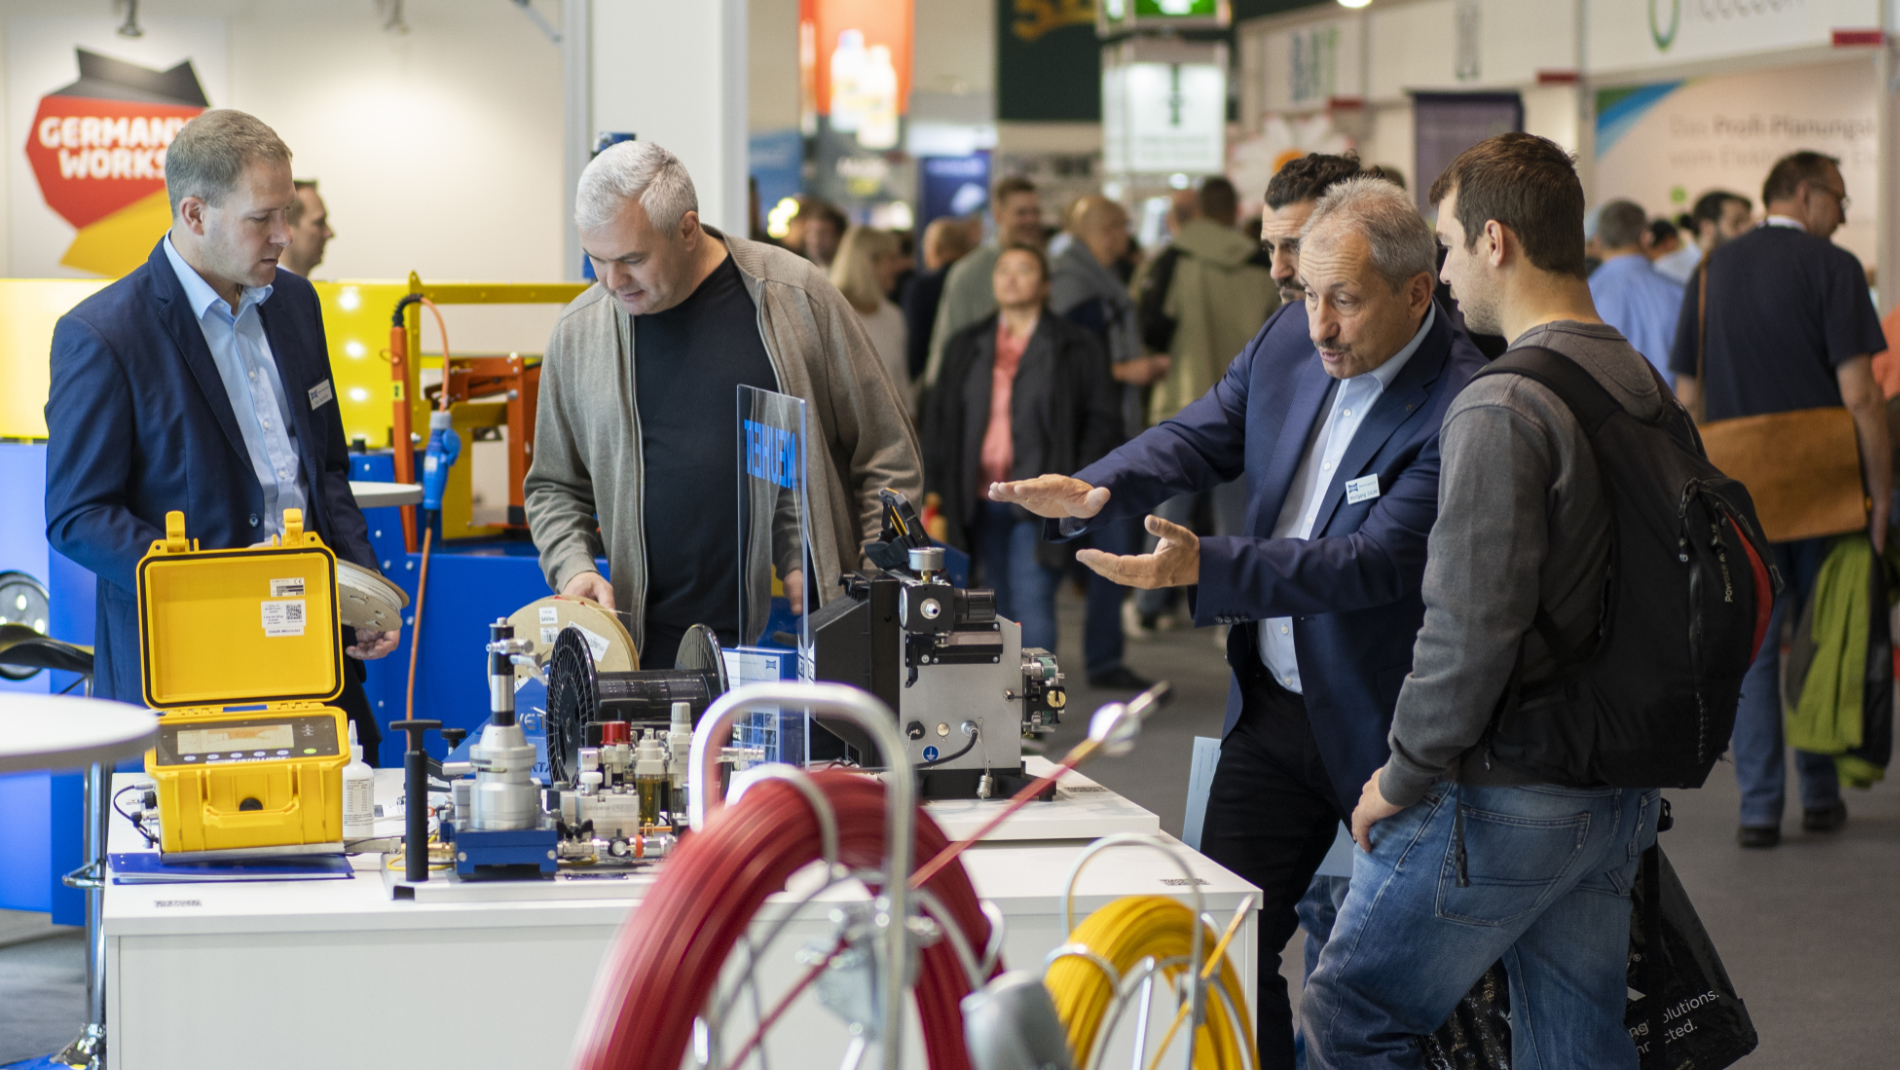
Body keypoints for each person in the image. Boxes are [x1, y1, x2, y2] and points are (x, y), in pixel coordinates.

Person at [993, 177, 1486, 1070]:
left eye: (1345, 301)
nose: (1321, 326)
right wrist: (1101, 486)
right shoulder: (1289, 343)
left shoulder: (1461, 403)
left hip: (1387, 728)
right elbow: (1200, 431)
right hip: (1271, 711)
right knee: (1220, 951)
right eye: (1308, 296)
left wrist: (1205, 566)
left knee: (1400, 999)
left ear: (1418, 293)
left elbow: (1372, 562)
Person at [1303, 132, 1667, 1070]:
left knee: (1352, 1011)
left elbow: (1468, 626)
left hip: (1508, 792)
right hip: (1616, 782)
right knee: (1574, 1039)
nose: (1447, 270)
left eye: (1450, 245)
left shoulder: (1502, 403)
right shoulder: (1637, 383)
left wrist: (1401, 776)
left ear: (1495, 240)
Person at [43, 109, 397, 757]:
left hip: (313, 661)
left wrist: (362, 588)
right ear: (195, 214)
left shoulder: (295, 305)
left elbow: (324, 470)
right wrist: (219, 583)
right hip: (183, 673)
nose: (285, 236)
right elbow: (78, 516)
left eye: (287, 213)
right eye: (262, 218)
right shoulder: (104, 335)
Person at [525, 141, 923, 670]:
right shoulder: (581, 332)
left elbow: (887, 451)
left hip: (801, 640)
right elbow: (553, 485)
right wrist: (574, 566)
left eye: (632, 259)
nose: (611, 282)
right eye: (596, 259)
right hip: (650, 654)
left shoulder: (794, 297)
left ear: (688, 229)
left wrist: (864, 585)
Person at [1669, 150, 1888, 847]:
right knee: (1826, 634)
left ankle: (1759, 807)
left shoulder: (1709, 272)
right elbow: (1860, 393)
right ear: (1805, 192)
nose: (1845, 213)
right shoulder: (1835, 268)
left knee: (1756, 650)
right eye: (1841, 198)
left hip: (1741, 493)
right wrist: (1880, 493)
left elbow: (1686, 398)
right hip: (1824, 486)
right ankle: (1820, 794)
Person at [922, 244, 1123, 655]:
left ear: (1046, 284)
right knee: (992, 607)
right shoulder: (966, 343)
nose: (1011, 278)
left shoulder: (1076, 345)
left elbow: (1101, 420)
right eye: (1003, 270)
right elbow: (941, 420)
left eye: (1024, 269)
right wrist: (935, 487)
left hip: (1041, 501)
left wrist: (1077, 481)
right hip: (978, 497)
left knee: (1032, 604)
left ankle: (1035, 709)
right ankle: (1007, 707)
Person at [1129, 177, 1279, 632]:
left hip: (1183, 402)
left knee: (1167, 512)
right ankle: (1234, 618)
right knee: (1236, 518)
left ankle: (1147, 607)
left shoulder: (1172, 260)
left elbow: (1148, 327)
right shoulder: (1262, 262)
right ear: (1234, 210)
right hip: (1246, 406)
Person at [1049, 194, 1156, 691]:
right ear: (1099, 230)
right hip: (1093, 442)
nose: (1124, 238)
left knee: (1109, 556)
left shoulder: (1088, 278)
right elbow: (1070, 370)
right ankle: (1085, 664)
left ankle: (1102, 657)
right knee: (1097, 555)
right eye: (1118, 227)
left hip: (1104, 437)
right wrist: (1127, 371)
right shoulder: (1075, 285)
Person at [926, 177, 1045, 385]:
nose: (1030, 220)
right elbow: (947, 342)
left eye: (1035, 212)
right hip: (981, 390)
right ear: (999, 216)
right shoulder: (969, 272)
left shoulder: (1049, 266)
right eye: (1021, 213)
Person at [1588, 199, 1684, 385]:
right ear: (1645, 238)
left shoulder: (1585, 294)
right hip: (1671, 408)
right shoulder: (1679, 292)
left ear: (1598, 242)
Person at [830, 226, 910, 400]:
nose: (898, 267)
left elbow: (901, 384)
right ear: (867, 262)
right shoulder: (830, 315)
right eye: (891, 259)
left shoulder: (893, 316)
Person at [902, 216, 977, 383]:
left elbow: (915, 342)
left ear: (935, 247)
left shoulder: (920, 287)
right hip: (973, 374)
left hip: (935, 377)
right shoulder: (977, 281)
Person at [1657, 188, 1753, 285]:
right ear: (1706, 227)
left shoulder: (1745, 266)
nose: (1746, 231)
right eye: (1736, 223)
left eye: (1749, 224)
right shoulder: (1668, 271)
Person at [280, 179, 333, 276]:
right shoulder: (266, 290)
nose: (329, 233)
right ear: (285, 226)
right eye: (319, 223)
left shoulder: (302, 289)